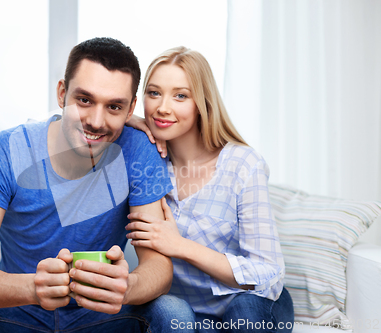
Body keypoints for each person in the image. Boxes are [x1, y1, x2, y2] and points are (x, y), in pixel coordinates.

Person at [0, 38, 196, 333]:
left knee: (174, 312)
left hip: (101, 316)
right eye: (84, 100)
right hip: (16, 312)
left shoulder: (139, 149)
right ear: (62, 93)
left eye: (114, 106)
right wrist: (32, 288)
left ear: (130, 110)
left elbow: (159, 267)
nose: (96, 121)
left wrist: (128, 288)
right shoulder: (8, 149)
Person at [126, 47, 294, 332]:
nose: (162, 107)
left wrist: (181, 246)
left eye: (180, 95)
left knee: (245, 311)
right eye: (154, 93)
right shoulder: (144, 163)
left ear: (202, 102)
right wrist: (123, 120)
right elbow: (69, 119)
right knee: (168, 311)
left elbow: (268, 273)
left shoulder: (243, 164)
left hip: (251, 303)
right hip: (189, 311)